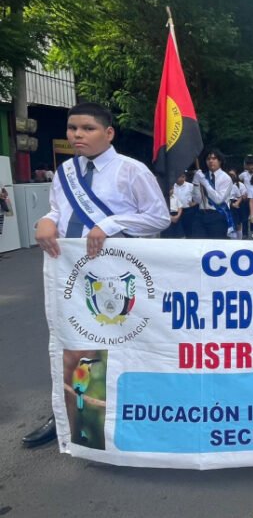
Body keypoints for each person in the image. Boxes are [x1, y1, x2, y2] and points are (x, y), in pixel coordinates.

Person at [24, 102, 169, 448]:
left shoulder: (130, 171)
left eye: (87, 128)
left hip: (117, 273)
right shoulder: (65, 172)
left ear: (108, 133)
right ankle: (69, 415)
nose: (77, 135)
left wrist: (110, 223)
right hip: (70, 271)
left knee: (125, 342)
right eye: (72, 128)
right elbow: (59, 209)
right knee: (73, 343)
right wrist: (46, 220)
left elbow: (159, 216)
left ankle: (135, 413)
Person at [193, 149, 234, 239]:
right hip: (201, 214)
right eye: (208, 159)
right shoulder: (202, 175)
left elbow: (218, 199)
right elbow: (197, 200)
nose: (211, 161)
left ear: (220, 161)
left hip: (217, 215)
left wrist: (204, 182)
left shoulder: (225, 178)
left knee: (216, 245)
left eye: (214, 158)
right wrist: (196, 183)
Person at [228, 169, 247, 239]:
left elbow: (240, 196)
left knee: (237, 223)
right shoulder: (223, 185)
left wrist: (236, 203)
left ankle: (239, 239)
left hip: (235, 205)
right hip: (226, 205)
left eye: (232, 175)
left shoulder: (237, 185)